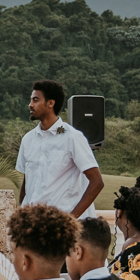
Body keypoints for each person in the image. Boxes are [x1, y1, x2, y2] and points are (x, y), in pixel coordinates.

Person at [16, 79, 103, 218]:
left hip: (59, 225)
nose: (30, 105)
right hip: (31, 224)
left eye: (36, 100)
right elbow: (27, 183)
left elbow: (97, 182)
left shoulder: (73, 137)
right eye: (31, 100)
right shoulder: (27, 139)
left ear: (50, 103)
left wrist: (71, 219)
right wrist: (20, 215)